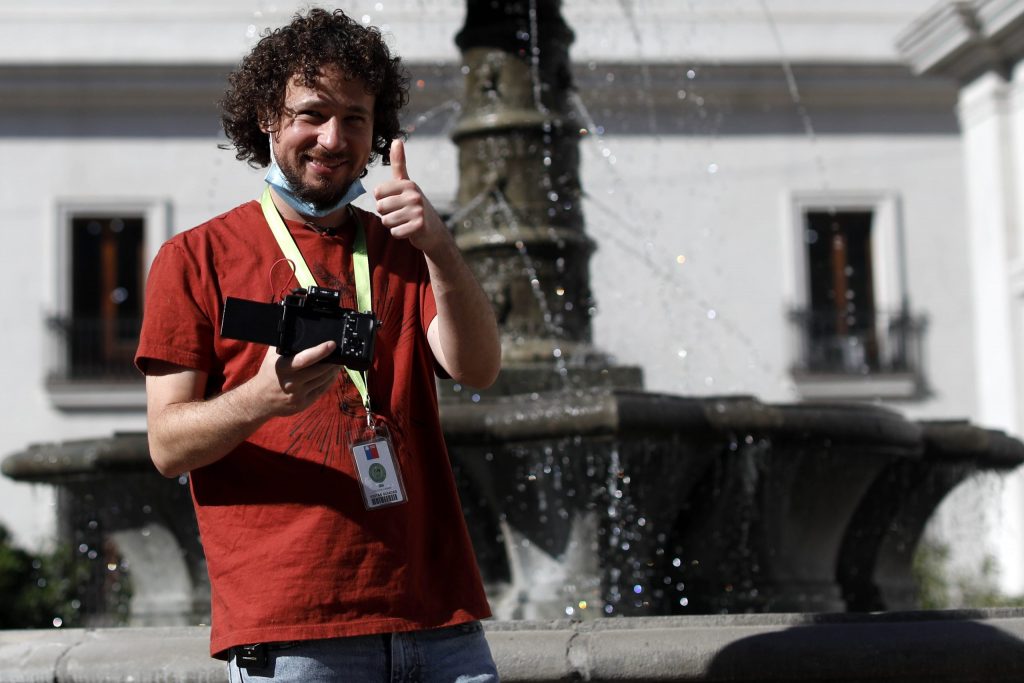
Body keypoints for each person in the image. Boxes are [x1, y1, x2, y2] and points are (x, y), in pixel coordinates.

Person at [134, 8, 502, 682]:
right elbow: (167, 445)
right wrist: (261, 399)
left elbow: (477, 367)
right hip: (294, 630)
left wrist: (441, 245)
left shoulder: (405, 247)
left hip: (440, 618)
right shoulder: (193, 259)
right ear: (268, 120)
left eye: (355, 118)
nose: (332, 138)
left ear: (376, 131)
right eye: (311, 113)